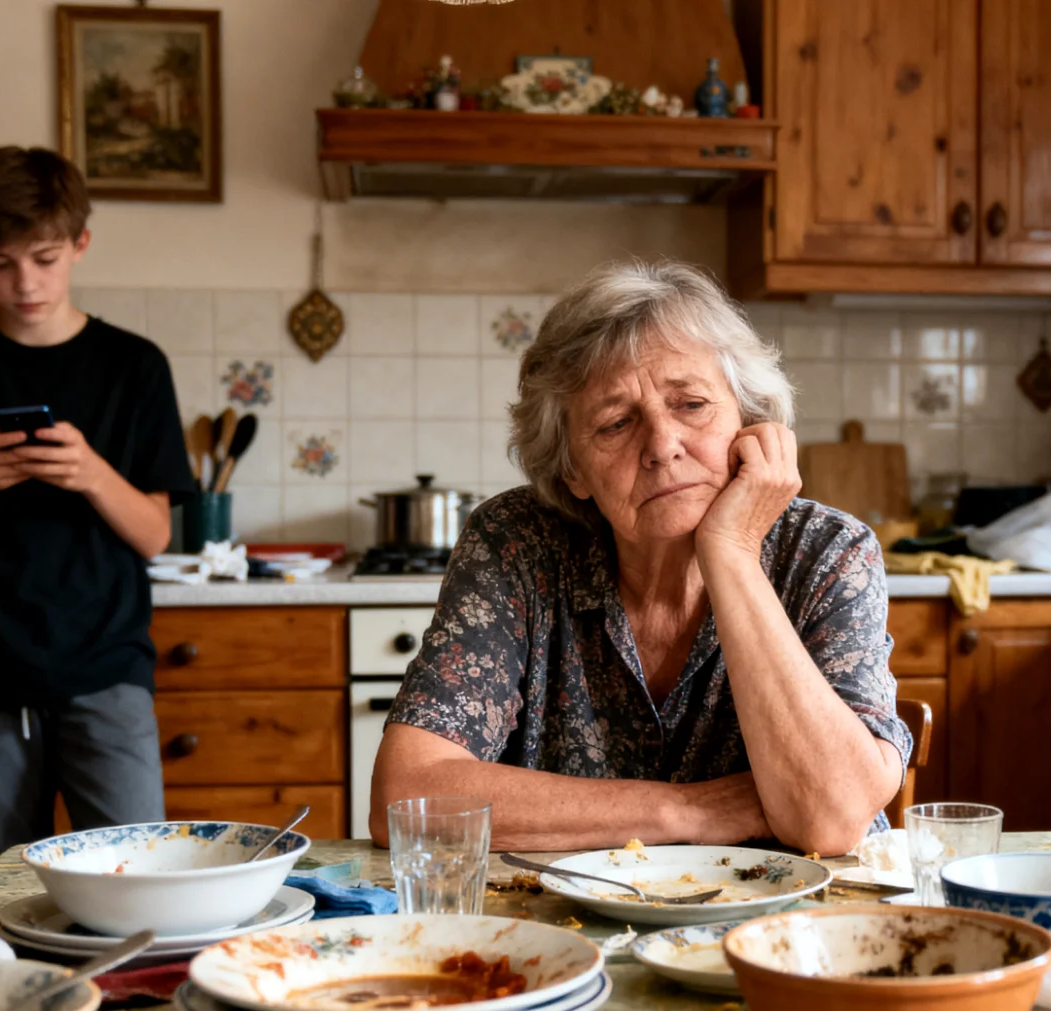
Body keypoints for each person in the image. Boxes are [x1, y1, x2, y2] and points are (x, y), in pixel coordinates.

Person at [369, 260, 911, 856]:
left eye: (692, 404)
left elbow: (829, 822)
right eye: (616, 423)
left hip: (791, 934)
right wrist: (691, 808)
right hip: (570, 929)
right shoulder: (515, 543)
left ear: (749, 422)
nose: (661, 445)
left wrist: (729, 553)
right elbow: (407, 798)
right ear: (572, 467)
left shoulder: (829, 551)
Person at [0, 146, 198, 867]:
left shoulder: (135, 365)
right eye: (0, 262)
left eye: (45, 258)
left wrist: (91, 471)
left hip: (106, 667)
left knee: (138, 878)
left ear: (80, 244)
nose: (24, 282)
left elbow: (155, 535)